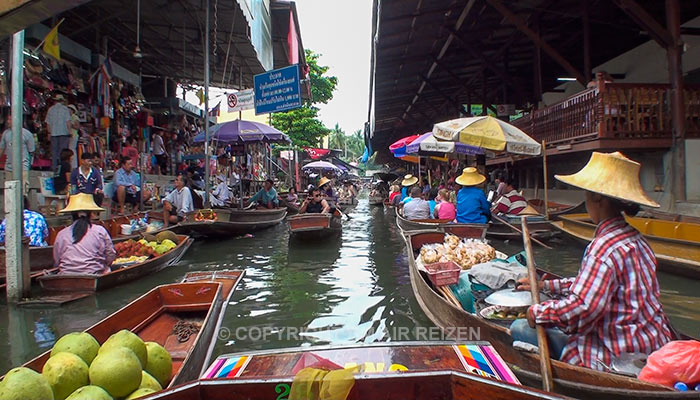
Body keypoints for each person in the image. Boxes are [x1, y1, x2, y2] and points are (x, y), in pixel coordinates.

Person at [510, 151, 672, 370]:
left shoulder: (603, 247)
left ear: (597, 197)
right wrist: (545, 285)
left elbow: (582, 309)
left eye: (586, 193)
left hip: (617, 352)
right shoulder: (636, 239)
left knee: (519, 327)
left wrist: (536, 312)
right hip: (653, 341)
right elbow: (591, 285)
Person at [53, 193, 115, 275]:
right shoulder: (99, 231)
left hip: (66, 274)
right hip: (93, 273)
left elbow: (57, 260)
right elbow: (110, 255)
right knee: (107, 269)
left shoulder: (62, 234)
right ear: (91, 213)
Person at [0, 114, 36, 188]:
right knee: (9, 189)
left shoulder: (27, 134)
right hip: (9, 167)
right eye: (8, 119)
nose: (8, 121)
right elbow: (1, 149)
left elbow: (31, 151)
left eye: (10, 120)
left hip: (23, 166)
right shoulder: (5, 133)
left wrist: (30, 164)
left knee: (24, 188)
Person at [45, 94, 72, 170]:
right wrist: (69, 131)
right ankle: (62, 167)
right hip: (63, 133)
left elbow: (48, 123)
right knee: (63, 152)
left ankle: (54, 167)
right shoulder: (65, 109)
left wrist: (49, 133)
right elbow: (68, 121)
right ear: (62, 101)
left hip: (53, 133)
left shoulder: (50, 109)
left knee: (54, 151)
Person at [67, 104, 80, 169]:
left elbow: (77, 127)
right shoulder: (67, 117)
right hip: (69, 135)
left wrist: (70, 125)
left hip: (73, 135)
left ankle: (74, 165)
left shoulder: (74, 117)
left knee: (72, 149)